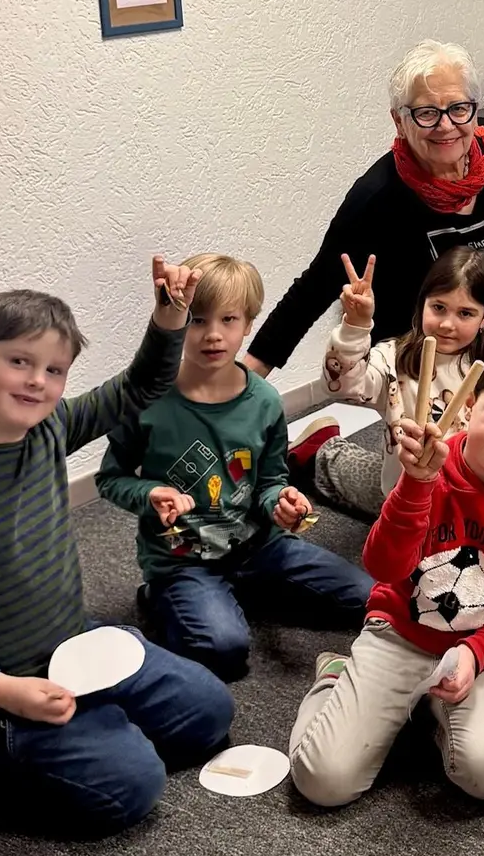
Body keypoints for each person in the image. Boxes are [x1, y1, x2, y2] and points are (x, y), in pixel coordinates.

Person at [0, 259, 236, 837]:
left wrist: (170, 313)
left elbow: (141, 385)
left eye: (54, 369)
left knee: (210, 713)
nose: (37, 380)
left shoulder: (46, 431)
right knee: (133, 789)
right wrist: (6, 692)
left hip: (72, 645)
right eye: (19, 360)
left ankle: (89, 729)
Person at [288, 340, 484, 806]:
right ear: (469, 402)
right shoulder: (429, 466)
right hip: (399, 634)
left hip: (477, 651)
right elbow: (381, 566)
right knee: (322, 783)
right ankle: (335, 678)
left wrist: (478, 653)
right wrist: (416, 486)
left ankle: (431, 714)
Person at [95, 254, 374, 682]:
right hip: (183, 558)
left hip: (259, 544)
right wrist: (149, 495)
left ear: (248, 325)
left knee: (369, 597)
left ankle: (236, 592)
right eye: (196, 320)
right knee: (226, 650)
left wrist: (281, 502)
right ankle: (162, 597)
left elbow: (269, 481)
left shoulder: (263, 401)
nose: (212, 335)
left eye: (228, 320)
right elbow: (110, 478)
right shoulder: (148, 400)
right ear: (177, 323)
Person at [243, 39, 484, 379]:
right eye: (427, 113)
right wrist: (242, 387)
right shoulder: (378, 197)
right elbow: (314, 289)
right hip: (418, 374)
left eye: (458, 108)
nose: (445, 126)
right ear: (399, 121)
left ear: (475, 110)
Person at [288, 246, 484, 518]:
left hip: (463, 499)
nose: (447, 325)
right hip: (400, 489)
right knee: (356, 480)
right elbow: (343, 385)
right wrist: (356, 326)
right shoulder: (394, 358)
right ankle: (317, 452)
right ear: (423, 303)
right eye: (439, 307)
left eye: (465, 313)